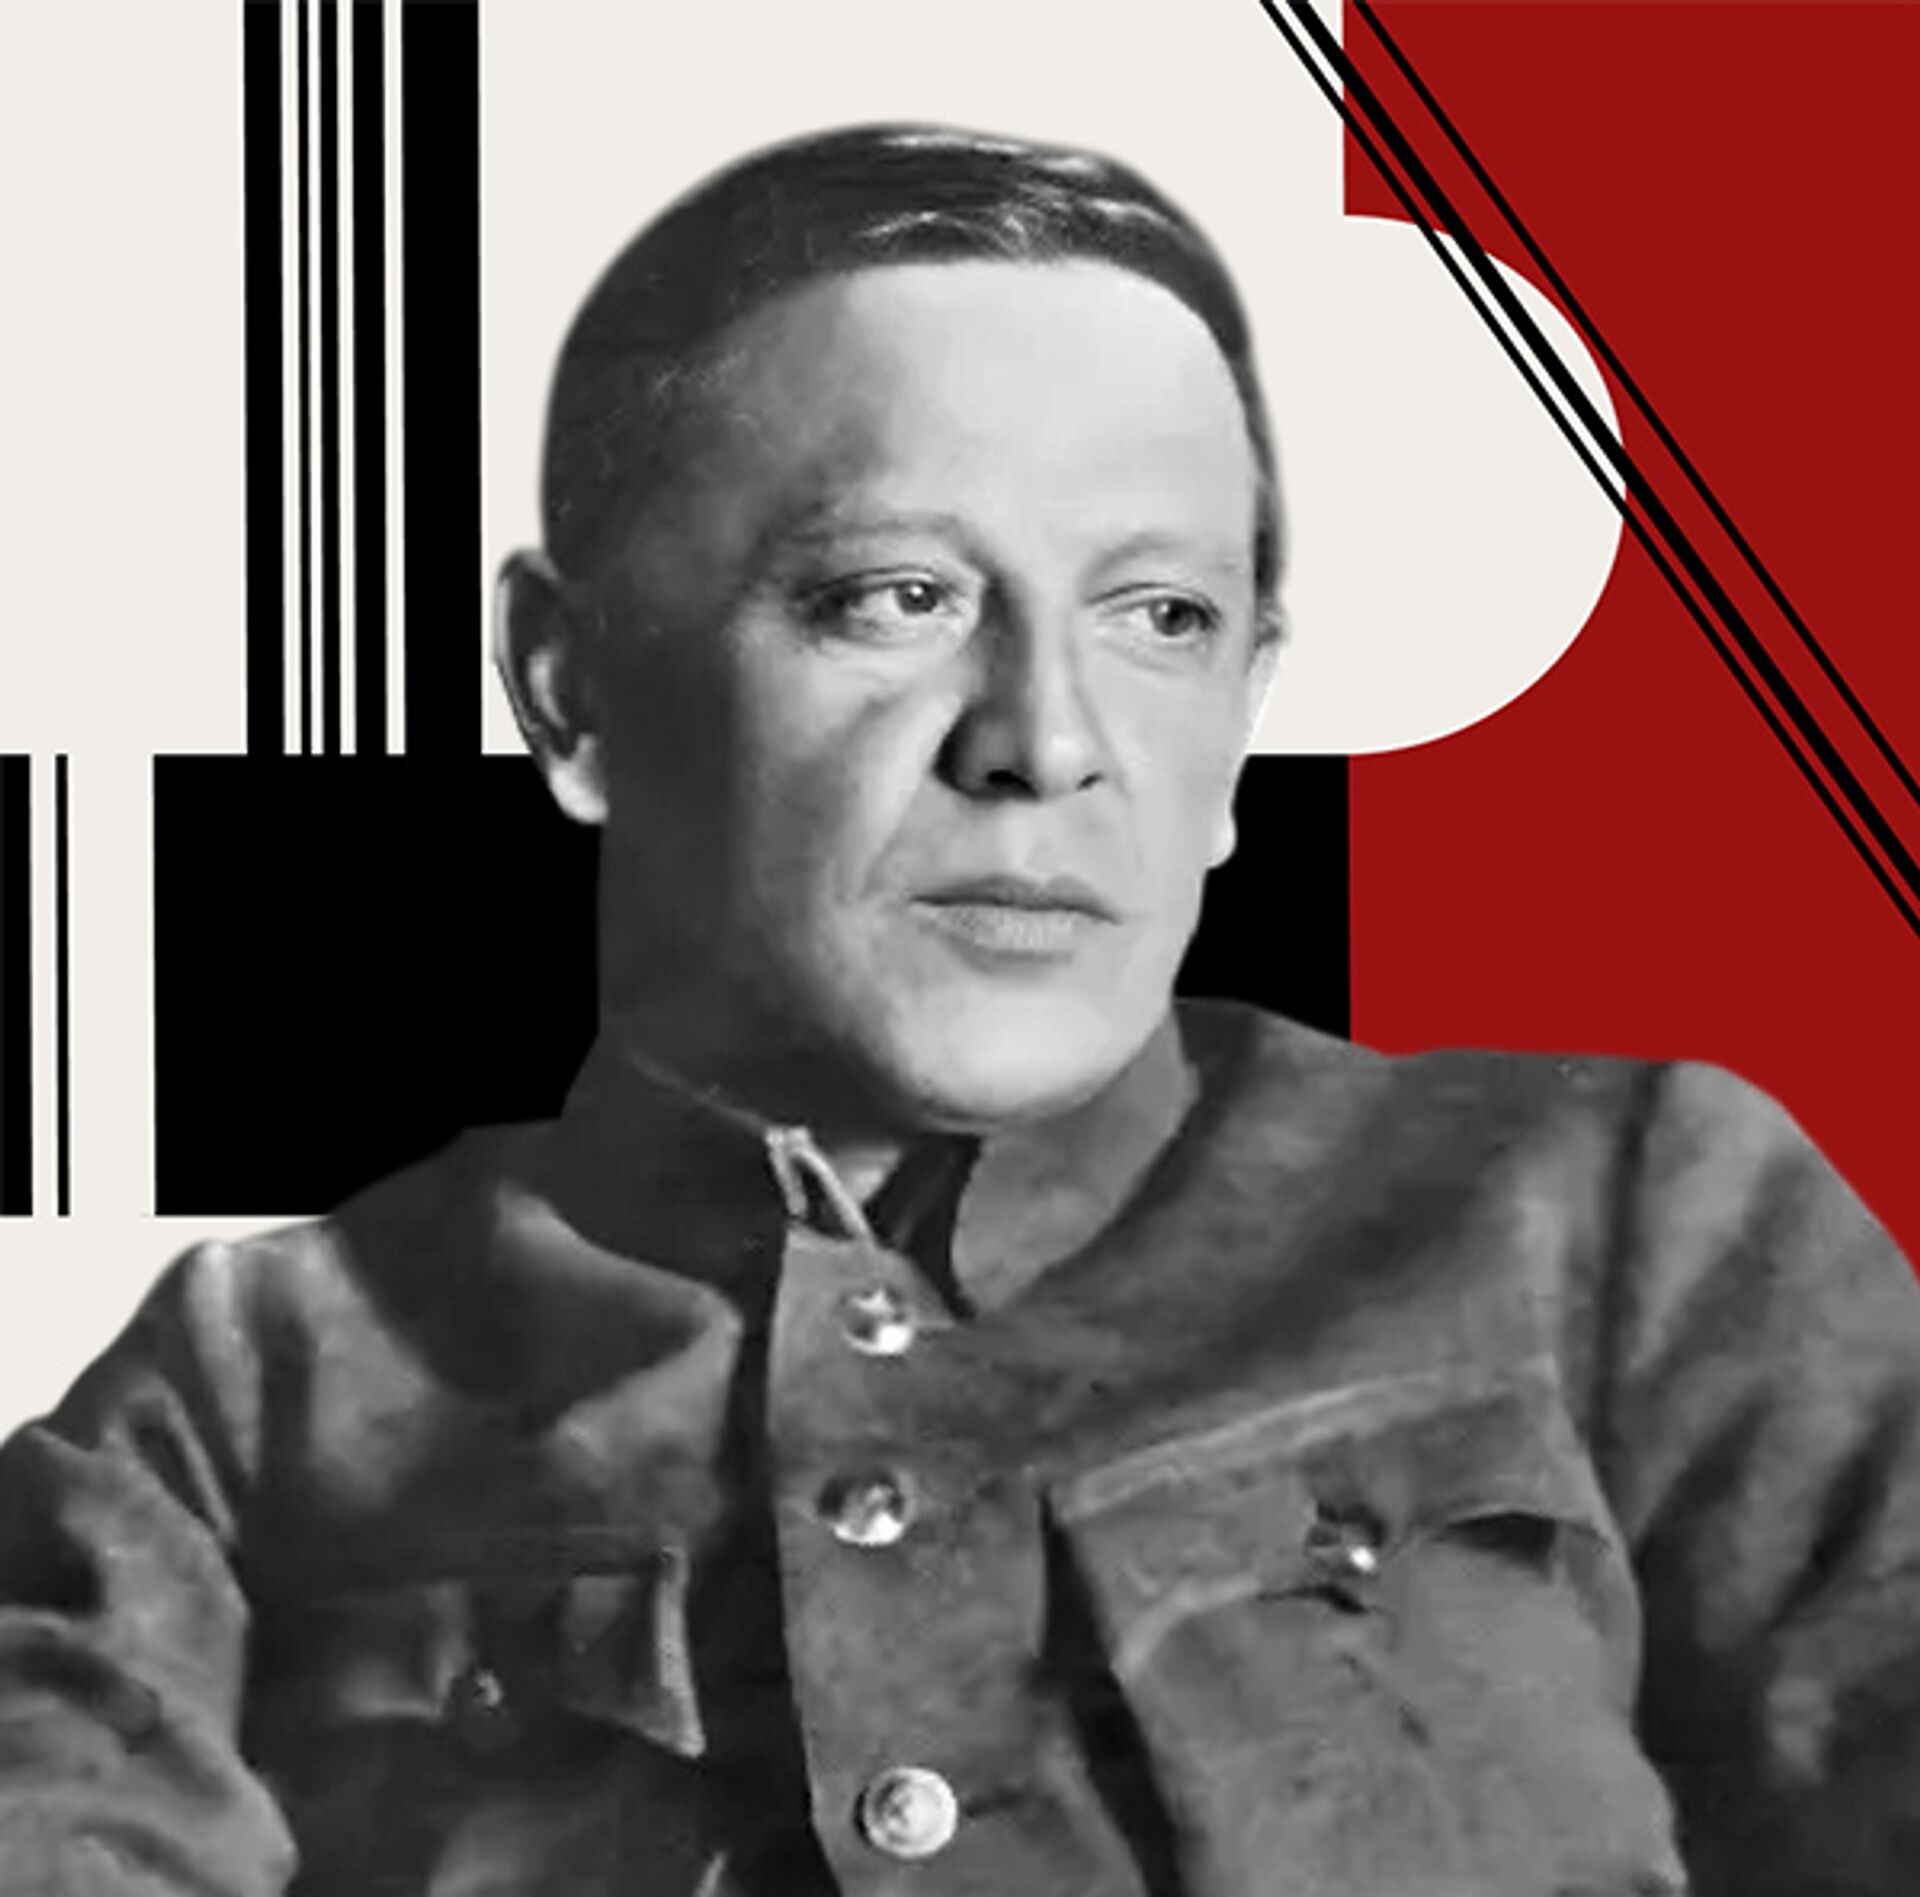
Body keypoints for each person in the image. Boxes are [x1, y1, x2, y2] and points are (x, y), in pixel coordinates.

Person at [1, 123, 1916, 1897]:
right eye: (894, 595)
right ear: (570, 686)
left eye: (1162, 617)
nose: (1048, 741)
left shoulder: (1632, 1215)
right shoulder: (240, 1399)